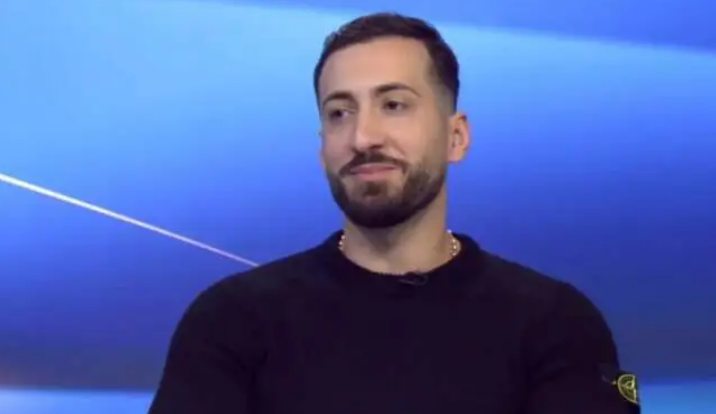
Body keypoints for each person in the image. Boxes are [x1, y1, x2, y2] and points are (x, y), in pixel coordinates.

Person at [148, 12, 640, 414]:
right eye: (340, 113)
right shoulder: (233, 320)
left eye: (394, 105)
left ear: (456, 137)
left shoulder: (554, 323)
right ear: (322, 149)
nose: (363, 137)